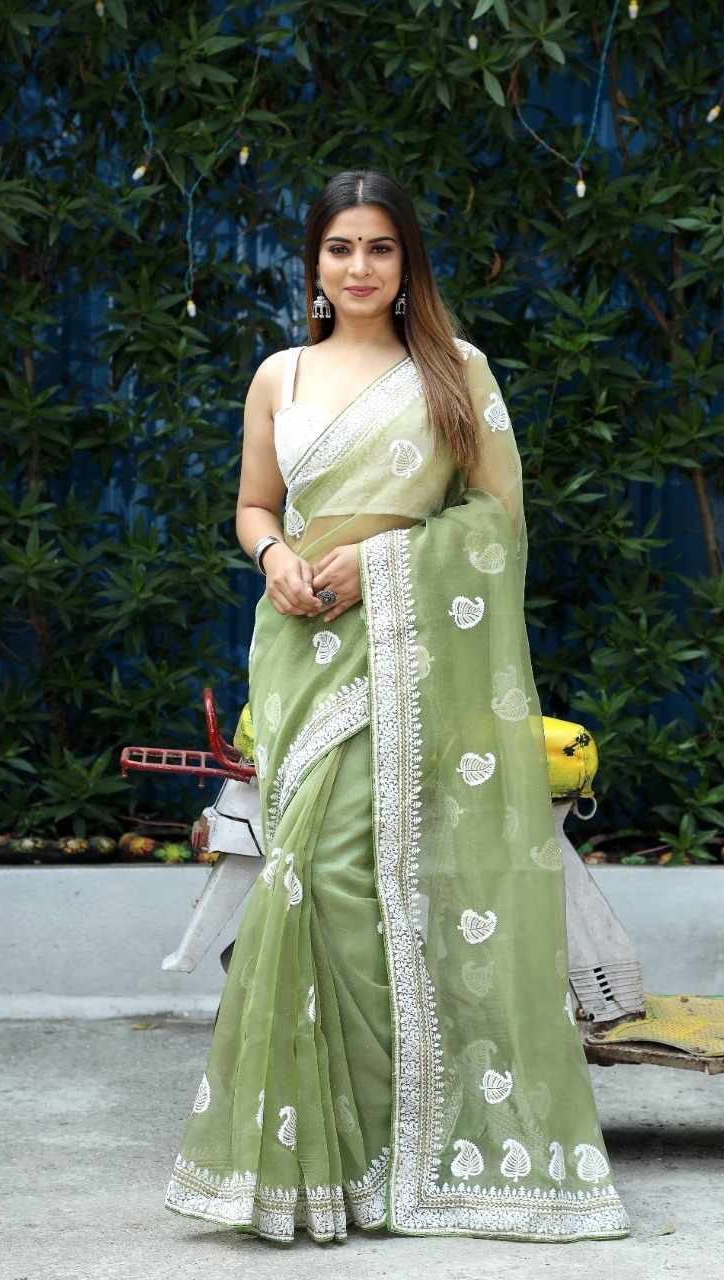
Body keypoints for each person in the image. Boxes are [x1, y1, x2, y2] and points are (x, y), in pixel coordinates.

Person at [163, 169, 632, 1246]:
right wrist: (275, 556)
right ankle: (333, 1153)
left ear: (406, 260)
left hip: (417, 659)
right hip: (300, 650)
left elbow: (497, 518)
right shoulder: (280, 375)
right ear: (314, 263)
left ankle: (401, 1147)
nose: (360, 267)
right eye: (340, 248)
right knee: (315, 878)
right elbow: (253, 504)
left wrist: (381, 563)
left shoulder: (453, 372)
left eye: (380, 247)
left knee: (381, 880)